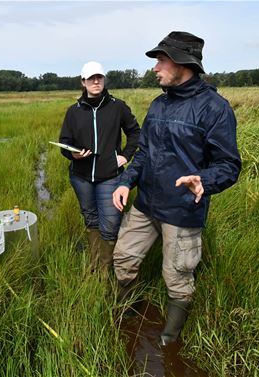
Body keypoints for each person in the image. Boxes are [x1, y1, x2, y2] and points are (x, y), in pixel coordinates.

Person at [112, 32, 241, 345]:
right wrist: (126, 182)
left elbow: (229, 165)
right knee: (123, 259)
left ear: (184, 61)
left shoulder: (214, 108)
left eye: (161, 59)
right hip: (146, 204)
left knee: (177, 276)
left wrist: (204, 181)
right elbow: (143, 152)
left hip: (182, 211)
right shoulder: (158, 104)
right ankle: (128, 313)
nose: (155, 67)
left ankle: (169, 340)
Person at [59, 61, 140, 272]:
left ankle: (106, 272)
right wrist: (72, 153)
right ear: (83, 82)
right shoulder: (73, 112)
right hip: (81, 177)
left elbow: (135, 133)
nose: (96, 81)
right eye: (91, 78)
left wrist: (125, 155)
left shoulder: (117, 106)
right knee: (91, 219)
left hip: (110, 177)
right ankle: (95, 267)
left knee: (111, 225)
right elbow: (64, 142)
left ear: (104, 80)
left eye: (99, 77)